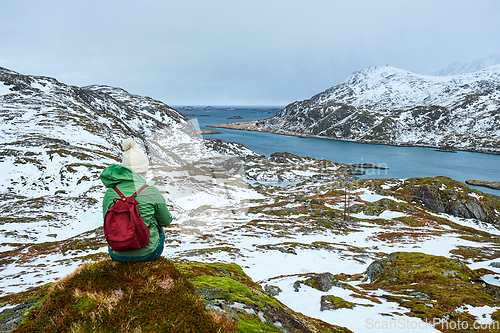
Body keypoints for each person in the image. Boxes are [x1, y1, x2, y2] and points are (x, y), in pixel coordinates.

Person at [100, 138, 172, 262]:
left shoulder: (110, 192)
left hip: (117, 254)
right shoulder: (151, 191)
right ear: (144, 171)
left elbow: (106, 220)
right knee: (160, 229)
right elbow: (165, 221)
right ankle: (145, 251)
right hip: (149, 254)